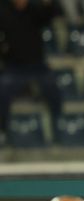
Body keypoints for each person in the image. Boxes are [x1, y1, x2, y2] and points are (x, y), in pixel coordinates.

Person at [0, 0, 64, 143]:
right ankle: (2, 129)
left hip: (38, 66)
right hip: (14, 67)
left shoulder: (35, 10)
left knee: (53, 87)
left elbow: (52, 15)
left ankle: (58, 126)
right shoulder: (4, 12)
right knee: (2, 90)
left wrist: (49, 4)